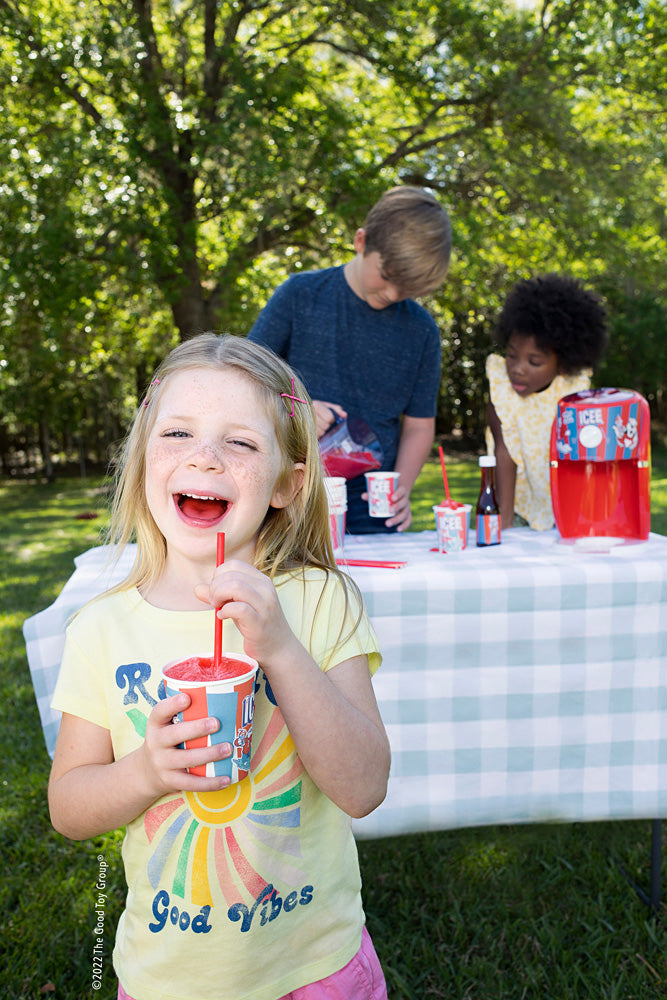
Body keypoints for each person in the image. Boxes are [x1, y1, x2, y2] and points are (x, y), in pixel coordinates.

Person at [48, 334, 391, 1000]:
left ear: (288, 484)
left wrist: (282, 650)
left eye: (239, 442)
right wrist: (145, 771)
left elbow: (363, 787)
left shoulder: (318, 601)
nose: (204, 454)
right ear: (144, 459)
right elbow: (69, 807)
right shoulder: (101, 630)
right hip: (170, 980)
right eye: (177, 432)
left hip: (314, 967)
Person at [248, 186, 452, 534]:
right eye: (387, 277)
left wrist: (400, 488)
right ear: (361, 241)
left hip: (372, 507)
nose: (391, 294)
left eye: (407, 289)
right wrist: (297, 407)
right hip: (288, 499)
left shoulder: (422, 331)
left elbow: (419, 426)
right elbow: (241, 381)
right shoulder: (299, 296)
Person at [485, 273, 608, 531]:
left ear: (563, 364)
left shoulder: (574, 397)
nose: (517, 369)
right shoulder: (501, 393)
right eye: (511, 356)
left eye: (535, 362)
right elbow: (503, 454)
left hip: (568, 509)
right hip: (517, 508)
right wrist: (504, 524)